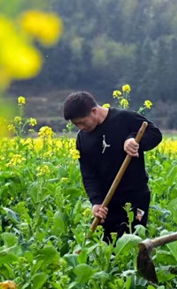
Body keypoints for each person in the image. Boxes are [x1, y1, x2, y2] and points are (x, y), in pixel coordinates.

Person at [63, 91, 163, 243]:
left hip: (135, 199)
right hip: (107, 204)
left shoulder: (124, 118)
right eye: (76, 125)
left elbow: (154, 134)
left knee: (133, 244)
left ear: (94, 111)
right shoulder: (83, 138)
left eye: (82, 122)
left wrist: (133, 140)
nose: (80, 128)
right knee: (108, 247)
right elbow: (88, 173)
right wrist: (96, 201)